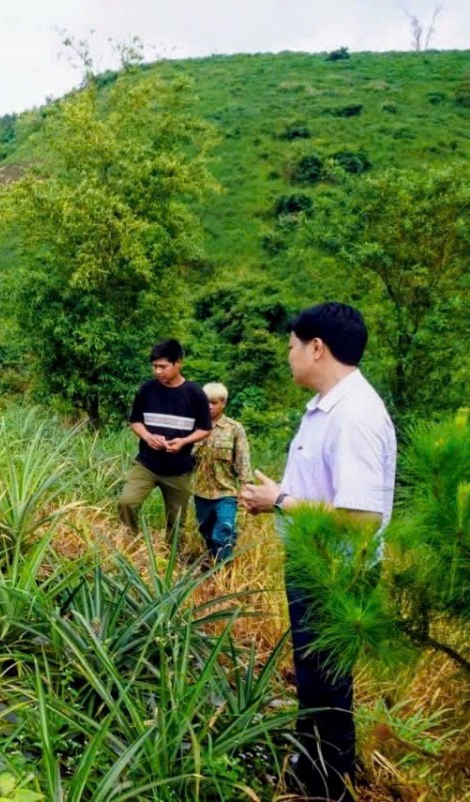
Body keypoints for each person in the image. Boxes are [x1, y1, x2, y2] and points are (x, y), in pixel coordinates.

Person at [239, 302, 395, 801]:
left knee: (326, 687)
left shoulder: (354, 417)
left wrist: (280, 500)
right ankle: (313, 767)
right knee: (314, 679)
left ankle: (330, 785)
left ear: (317, 348)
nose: (288, 356)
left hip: (335, 572)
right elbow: (329, 493)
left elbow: (361, 518)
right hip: (316, 563)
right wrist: (280, 496)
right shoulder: (329, 408)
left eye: (291, 346)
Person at [118, 339, 212, 537]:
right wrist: (148, 436)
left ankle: (172, 560)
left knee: (177, 521)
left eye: (163, 366)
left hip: (178, 470)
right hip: (147, 464)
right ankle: (129, 545)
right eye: (155, 366)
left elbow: (205, 429)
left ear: (178, 363)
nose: (158, 372)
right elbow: (135, 421)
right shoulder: (147, 389)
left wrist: (184, 442)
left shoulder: (194, 393)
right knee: (127, 502)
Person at [191, 382, 253, 563]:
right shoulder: (194, 427)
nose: (209, 407)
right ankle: (213, 562)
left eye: (214, 403)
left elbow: (243, 459)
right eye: (206, 402)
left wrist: (245, 488)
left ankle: (223, 571)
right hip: (200, 492)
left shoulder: (234, 429)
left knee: (223, 531)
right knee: (207, 533)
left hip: (226, 492)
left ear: (223, 403)